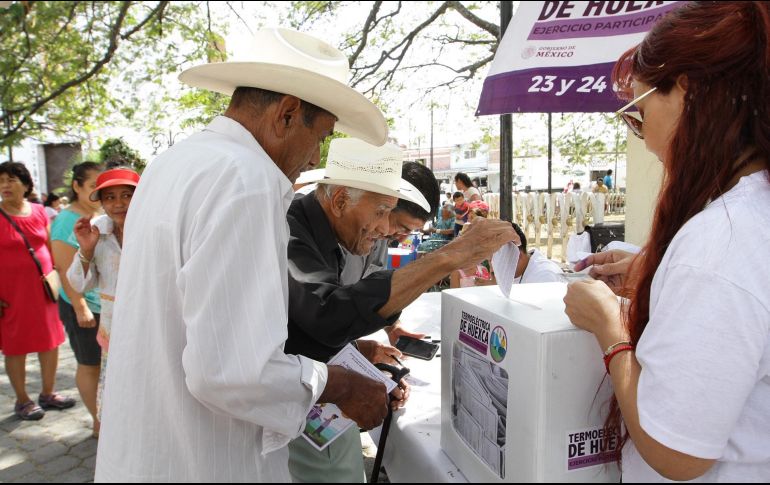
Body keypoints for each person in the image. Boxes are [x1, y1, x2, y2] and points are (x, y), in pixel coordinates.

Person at [95, 28, 391, 482]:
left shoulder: (174, 162)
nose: (315, 156)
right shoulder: (246, 180)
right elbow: (233, 372)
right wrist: (338, 383)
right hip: (204, 460)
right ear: (289, 113)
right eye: (322, 137)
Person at [563, 2, 770, 481]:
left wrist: (609, 326)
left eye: (639, 111)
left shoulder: (723, 240)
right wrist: (653, 274)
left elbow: (676, 452)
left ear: (689, 93)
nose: (644, 136)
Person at [286, 138, 517, 482]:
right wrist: (449, 257)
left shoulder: (332, 232)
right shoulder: (290, 229)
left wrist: (359, 351)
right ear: (338, 200)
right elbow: (325, 313)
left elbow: (305, 323)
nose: (384, 230)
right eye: (381, 213)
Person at [0, 162, 75, 421]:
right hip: (10, 294)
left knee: (51, 341)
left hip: (44, 289)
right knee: (16, 347)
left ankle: (48, 393)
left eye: (10, 180)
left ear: (25, 183)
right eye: (1, 182)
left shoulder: (40, 212)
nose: (5, 186)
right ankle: (22, 401)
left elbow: (50, 246)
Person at [65, 167, 140, 420]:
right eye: (109, 197)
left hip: (150, 326)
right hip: (114, 327)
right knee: (118, 397)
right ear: (102, 203)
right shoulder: (97, 230)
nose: (118, 204)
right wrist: (86, 250)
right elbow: (79, 284)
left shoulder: (153, 229)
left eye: (126, 195)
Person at [50, 161, 103, 437]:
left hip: (104, 303)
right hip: (81, 306)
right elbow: (62, 267)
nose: (98, 193)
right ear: (77, 186)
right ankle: (98, 421)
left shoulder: (101, 215)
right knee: (89, 363)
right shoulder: (66, 221)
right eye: (93, 186)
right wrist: (81, 306)